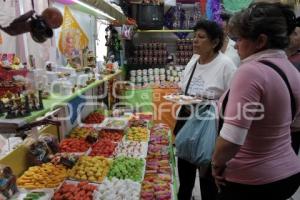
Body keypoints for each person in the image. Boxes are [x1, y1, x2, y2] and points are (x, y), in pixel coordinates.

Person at [212, 2, 300, 200]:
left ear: (260, 41)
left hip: (251, 180)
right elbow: (294, 125)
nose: (235, 44)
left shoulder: (251, 71)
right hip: (288, 173)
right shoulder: (290, 70)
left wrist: (216, 164)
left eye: (240, 38)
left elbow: (231, 140)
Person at [174, 19, 237, 200]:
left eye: (201, 37)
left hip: (209, 124)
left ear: (215, 42)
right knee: (185, 175)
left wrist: (207, 102)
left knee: (207, 179)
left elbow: (232, 100)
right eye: (194, 37)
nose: (195, 40)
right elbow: (183, 87)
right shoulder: (193, 61)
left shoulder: (226, 65)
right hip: (186, 119)